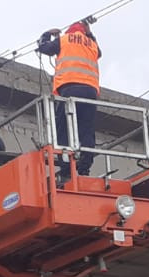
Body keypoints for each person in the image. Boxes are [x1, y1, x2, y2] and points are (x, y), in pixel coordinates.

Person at [37, 20, 102, 182]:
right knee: (86, 130)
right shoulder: (92, 43)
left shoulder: (65, 40)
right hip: (90, 91)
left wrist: (46, 35)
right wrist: (90, 33)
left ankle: (66, 169)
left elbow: (44, 48)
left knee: (64, 128)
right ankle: (85, 166)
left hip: (70, 88)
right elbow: (99, 53)